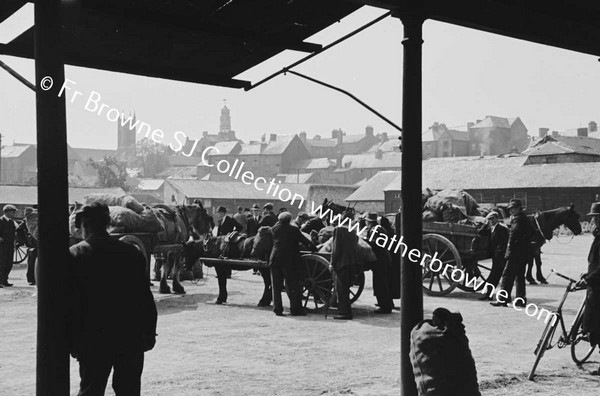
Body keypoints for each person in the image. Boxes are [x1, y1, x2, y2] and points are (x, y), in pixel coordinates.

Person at [69, 202, 157, 395]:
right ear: (108, 223)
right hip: (130, 337)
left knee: (91, 390)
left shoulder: (74, 254)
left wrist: (73, 342)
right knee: (129, 390)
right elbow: (145, 299)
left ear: (83, 225)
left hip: (92, 339)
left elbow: (70, 304)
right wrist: (149, 333)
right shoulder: (131, 253)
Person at [270, 212, 316, 316]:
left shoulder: (274, 229)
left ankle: (277, 309)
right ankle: (295, 310)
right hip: (289, 261)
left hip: (275, 259)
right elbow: (305, 241)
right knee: (292, 286)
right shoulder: (294, 230)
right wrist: (314, 248)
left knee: (276, 286)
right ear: (290, 220)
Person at [491, 199, 534, 307]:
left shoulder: (518, 220)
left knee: (507, 276)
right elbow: (532, 233)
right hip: (524, 253)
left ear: (519, 208)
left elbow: (513, 237)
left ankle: (502, 299)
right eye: (510, 209)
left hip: (515, 253)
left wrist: (508, 253)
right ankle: (520, 299)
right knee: (520, 276)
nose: (511, 211)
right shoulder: (525, 219)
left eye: (513, 209)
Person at [577, 202, 600, 375]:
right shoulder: (598, 235)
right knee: (593, 322)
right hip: (595, 285)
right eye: (594, 218)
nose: (595, 221)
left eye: (597, 218)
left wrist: (590, 278)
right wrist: (587, 275)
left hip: (598, 285)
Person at [363, 212, 393, 313]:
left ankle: (384, 307)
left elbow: (375, 244)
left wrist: (364, 241)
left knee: (380, 284)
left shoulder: (374, 230)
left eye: (366, 221)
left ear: (369, 222)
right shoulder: (381, 228)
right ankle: (387, 303)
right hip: (385, 257)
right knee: (385, 282)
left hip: (380, 260)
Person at [477, 212, 508, 300]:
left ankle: (490, 295)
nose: (491, 221)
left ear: (497, 219)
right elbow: (480, 232)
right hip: (496, 257)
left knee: (494, 277)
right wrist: (486, 224)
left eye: (492, 219)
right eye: (489, 219)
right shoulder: (492, 228)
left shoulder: (502, 229)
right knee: (494, 277)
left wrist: (499, 252)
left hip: (501, 257)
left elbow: (504, 243)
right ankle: (489, 295)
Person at [0, 204, 18, 287]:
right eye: (13, 212)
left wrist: (14, 244)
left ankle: (4, 280)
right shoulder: (1, 220)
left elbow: (15, 233)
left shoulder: (12, 222)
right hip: (2, 246)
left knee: (9, 263)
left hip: (10, 245)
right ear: (8, 212)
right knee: (2, 263)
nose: (14, 213)